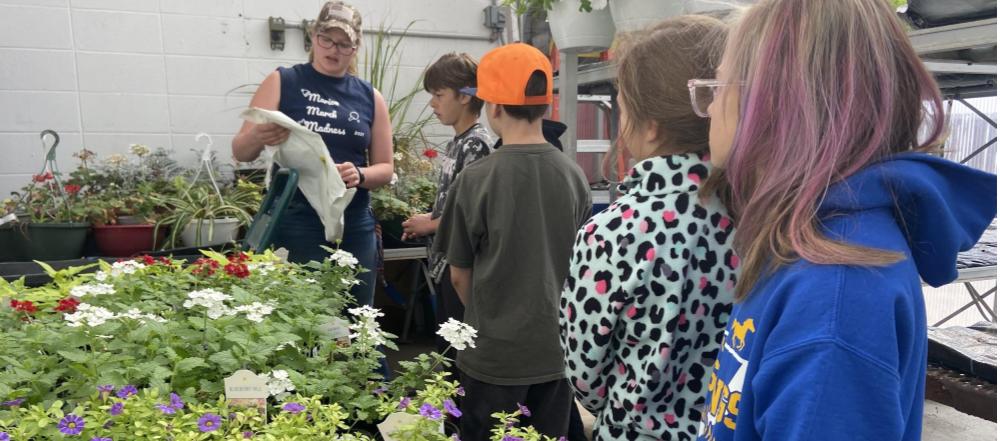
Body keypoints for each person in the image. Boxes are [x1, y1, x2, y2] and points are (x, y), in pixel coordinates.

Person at [695, 1, 997, 440]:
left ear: (772, 104)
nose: (708, 106)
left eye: (718, 85)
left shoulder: (833, 292)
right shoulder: (811, 245)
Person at [560, 16, 735, 441]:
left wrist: (630, 402)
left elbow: (584, 372)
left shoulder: (613, 233)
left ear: (651, 127)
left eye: (622, 109)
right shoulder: (765, 218)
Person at [433, 43, 592, 440]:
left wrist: (488, 320)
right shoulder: (574, 176)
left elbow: (458, 275)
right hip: (555, 352)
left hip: (493, 356)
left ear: (496, 107)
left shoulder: (476, 179)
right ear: (544, 107)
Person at [232, 1, 393, 307]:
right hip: (295, 217)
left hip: (353, 221)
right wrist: (257, 135)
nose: (334, 49)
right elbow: (240, 151)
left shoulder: (371, 97)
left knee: (356, 315)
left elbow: (385, 168)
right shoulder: (284, 81)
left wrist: (359, 174)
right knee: (298, 313)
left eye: (345, 44)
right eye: (327, 39)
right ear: (313, 37)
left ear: (356, 47)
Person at [400, 53, 494, 363]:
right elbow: (453, 204)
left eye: (439, 95)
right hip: (444, 266)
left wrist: (431, 225)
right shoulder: (457, 143)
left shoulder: (476, 144)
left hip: (461, 268)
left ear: (466, 97)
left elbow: (474, 214)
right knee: (448, 352)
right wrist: (429, 218)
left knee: (461, 357)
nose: (433, 104)